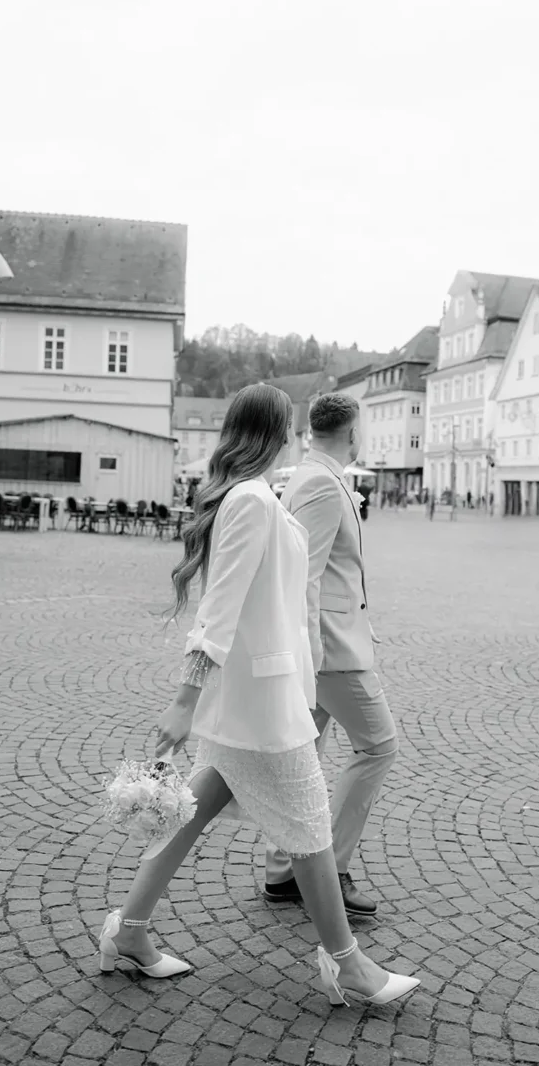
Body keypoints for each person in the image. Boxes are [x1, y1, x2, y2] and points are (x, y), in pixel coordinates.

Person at [97, 384, 418, 1008]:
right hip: (260, 705)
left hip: (263, 695)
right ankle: (349, 966)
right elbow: (219, 610)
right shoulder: (249, 499)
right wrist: (186, 698)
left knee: (191, 817)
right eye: (291, 426)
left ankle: (129, 930)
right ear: (278, 430)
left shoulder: (257, 495)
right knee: (309, 826)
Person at [264, 394, 399, 918]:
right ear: (352, 431)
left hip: (331, 643)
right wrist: (316, 655)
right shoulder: (320, 483)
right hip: (330, 652)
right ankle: (331, 867)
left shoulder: (312, 474)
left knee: (305, 759)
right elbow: (307, 575)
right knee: (378, 748)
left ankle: (283, 871)